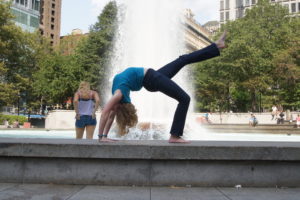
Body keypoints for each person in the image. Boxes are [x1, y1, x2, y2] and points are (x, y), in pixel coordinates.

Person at [98, 31, 227, 143]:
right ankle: (175, 136)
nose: (112, 109)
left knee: (183, 59)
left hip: (151, 78)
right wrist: (100, 137)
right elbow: (105, 113)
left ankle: (216, 46)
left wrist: (103, 136)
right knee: (184, 99)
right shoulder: (119, 96)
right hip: (151, 79)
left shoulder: (118, 100)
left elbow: (109, 116)